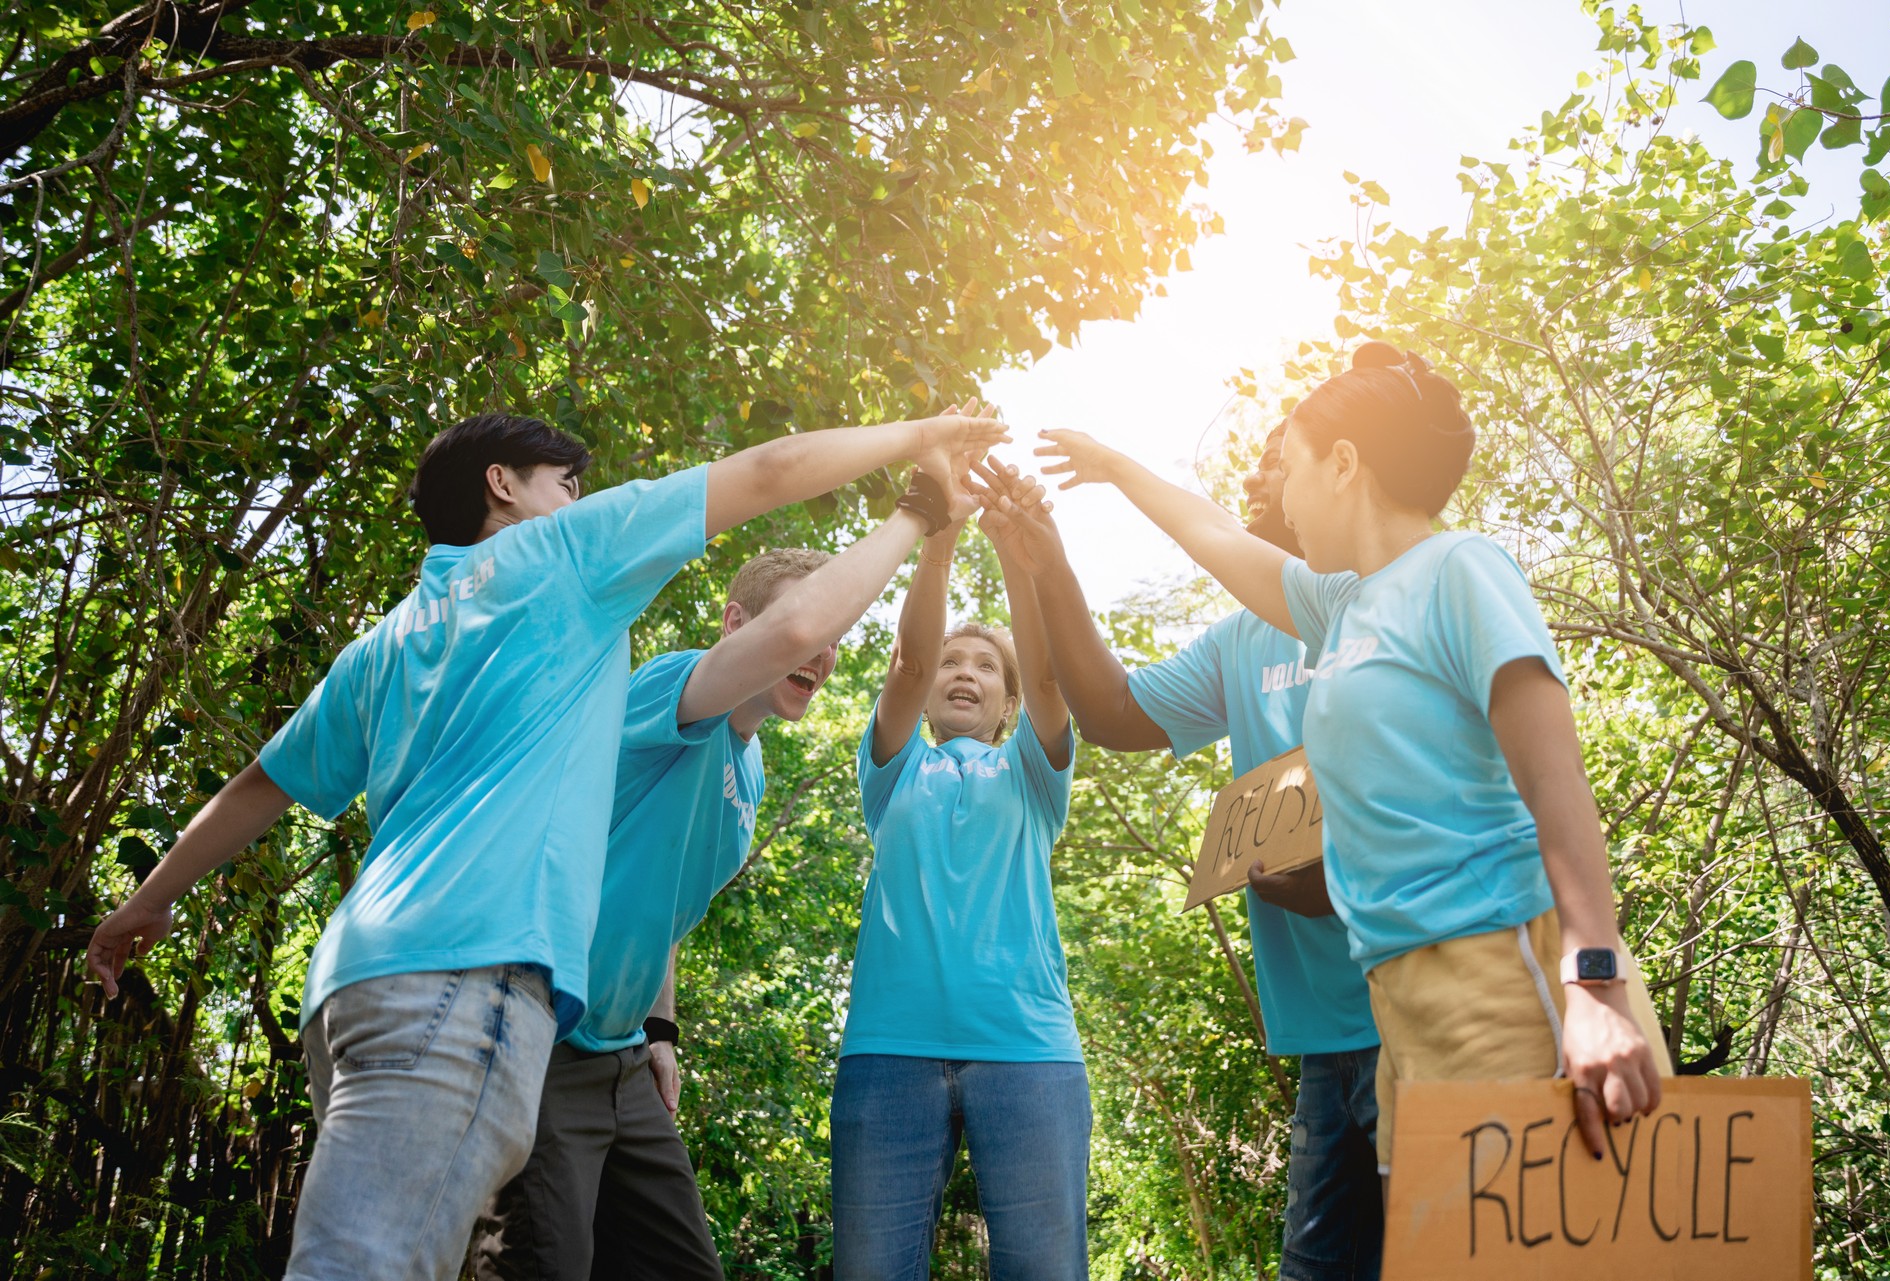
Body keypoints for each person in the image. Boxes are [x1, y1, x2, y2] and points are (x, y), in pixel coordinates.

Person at [84, 407, 1006, 1281]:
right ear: (505, 487)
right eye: (566, 480)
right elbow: (772, 502)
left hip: (359, 982)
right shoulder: (563, 557)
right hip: (469, 977)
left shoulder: (388, 639)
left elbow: (261, 785)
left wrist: (147, 898)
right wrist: (922, 480)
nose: (580, 498)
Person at [1024, 341, 1670, 1184]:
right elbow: (1213, 532)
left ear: (1343, 464)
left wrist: (1595, 985)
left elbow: (1556, 784)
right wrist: (1112, 466)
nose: (1280, 499)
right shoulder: (1342, 607)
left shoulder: (1460, 569)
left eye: (1289, 469)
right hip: (1400, 997)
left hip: (1501, 967)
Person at [471, 466, 973, 1281]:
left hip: (624, 1057)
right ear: (738, 622)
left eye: (833, 639)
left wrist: (661, 1030)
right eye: (805, 630)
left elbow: (661, 907)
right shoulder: (670, 689)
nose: (822, 651)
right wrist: (919, 518)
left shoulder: (755, 772)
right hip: (540, 1036)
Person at [971, 455, 1383, 1280]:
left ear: (1343, 472)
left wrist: (1343, 880)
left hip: (1418, 1009)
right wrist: (1047, 563)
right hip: (1324, 1036)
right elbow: (1112, 712)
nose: (1268, 472)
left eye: (1287, 451)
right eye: (1262, 463)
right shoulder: (1244, 638)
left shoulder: (1393, 605)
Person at [829, 466, 1085, 1279]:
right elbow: (905, 663)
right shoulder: (894, 769)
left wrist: (1016, 554)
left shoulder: (1032, 775)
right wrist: (939, 540)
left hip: (1029, 1052)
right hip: (887, 1051)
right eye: (952, 662)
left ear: (1006, 703)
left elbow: (1050, 678)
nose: (963, 671)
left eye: (984, 666)